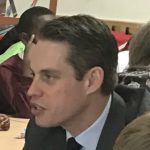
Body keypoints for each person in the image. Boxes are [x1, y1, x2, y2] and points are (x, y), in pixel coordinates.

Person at [23, 15, 140, 150]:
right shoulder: (41, 130)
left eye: (49, 77)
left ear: (91, 81)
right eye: (33, 74)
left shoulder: (140, 137)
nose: (31, 91)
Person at [0, 7, 54, 118]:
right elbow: (28, 113)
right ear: (25, 38)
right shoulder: (7, 70)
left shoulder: (56, 64)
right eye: (46, 35)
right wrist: (27, 72)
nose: (54, 40)